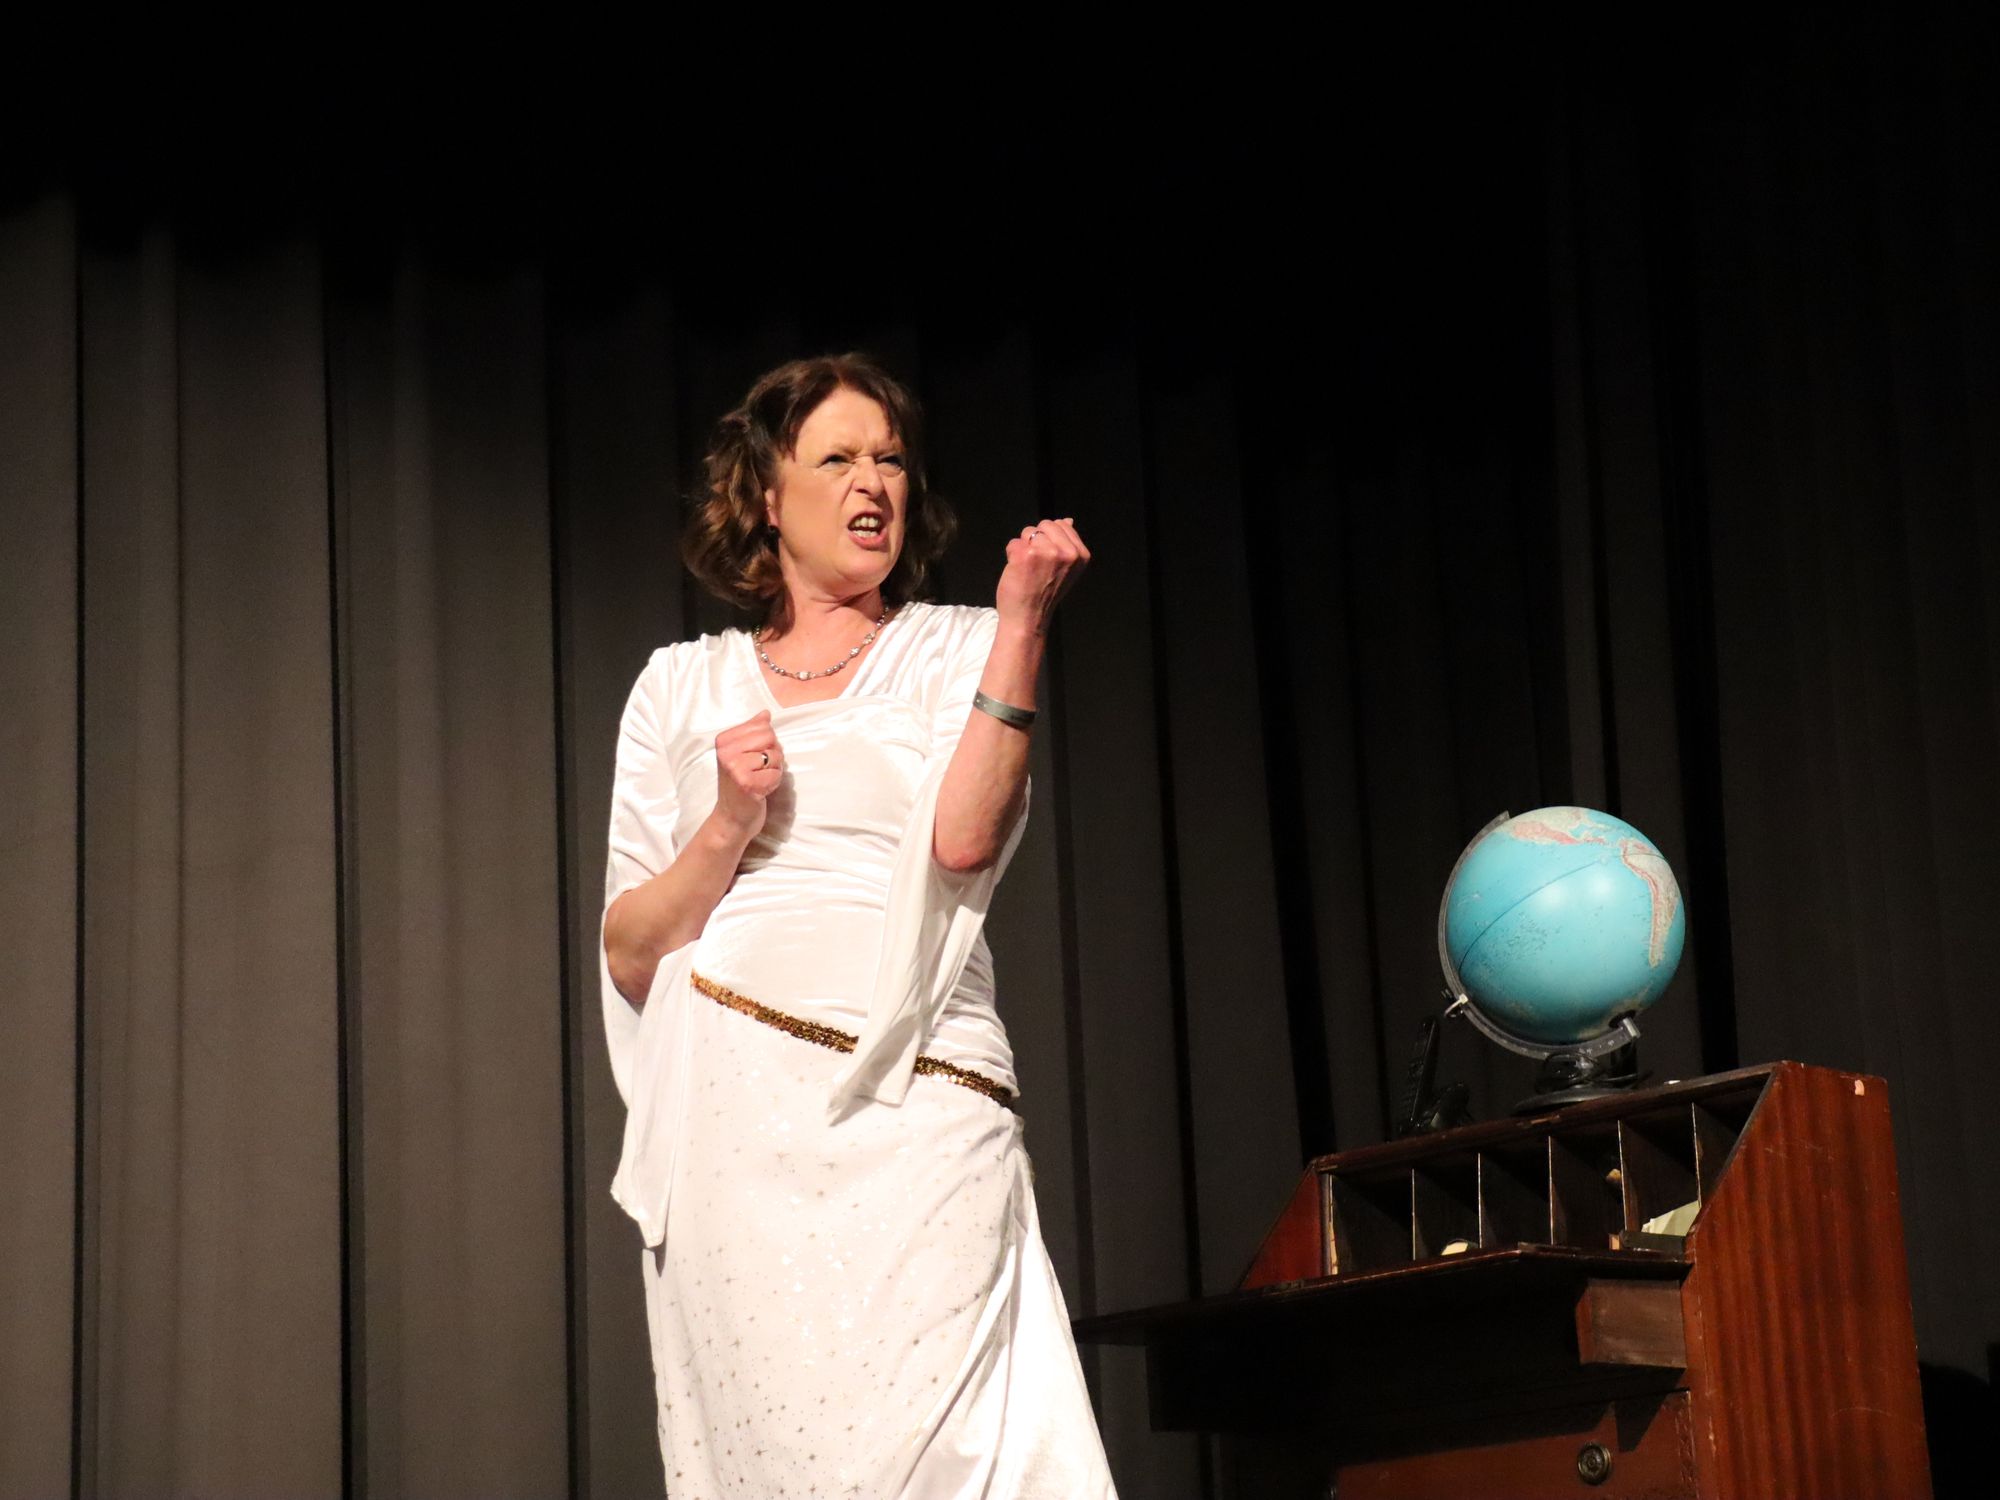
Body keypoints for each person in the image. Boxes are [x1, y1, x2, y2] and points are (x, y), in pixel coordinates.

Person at [599, 353, 1120, 1498]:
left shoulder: (959, 644)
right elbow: (630, 952)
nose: (870, 482)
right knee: (778, 1452)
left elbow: (963, 842)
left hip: (918, 1091)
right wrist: (728, 822)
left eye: (887, 458)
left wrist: (1022, 626)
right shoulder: (679, 687)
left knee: (948, 1440)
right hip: (733, 1111)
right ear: (764, 496)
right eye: (834, 459)